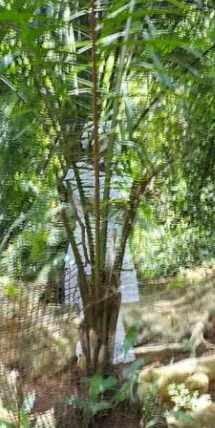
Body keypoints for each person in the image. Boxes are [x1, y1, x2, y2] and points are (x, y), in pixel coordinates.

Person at [63, 148, 140, 364]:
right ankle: (89, 352)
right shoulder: (75, 173)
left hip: (109, 244)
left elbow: (118, 210)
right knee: (85, 297)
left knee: (112, 296)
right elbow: (78, 208)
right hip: (84, 243)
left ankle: (114, 349)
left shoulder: (115, 175)